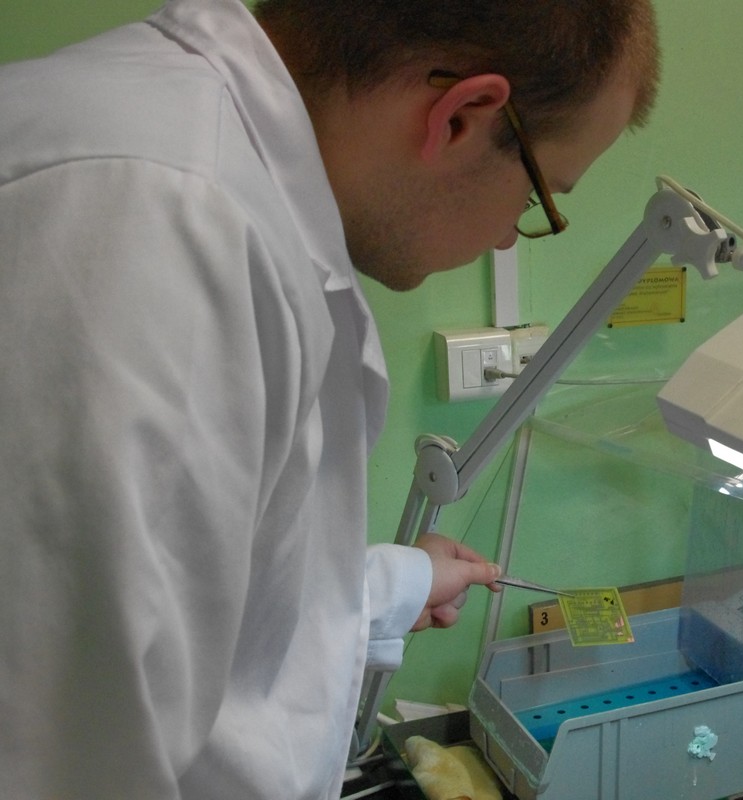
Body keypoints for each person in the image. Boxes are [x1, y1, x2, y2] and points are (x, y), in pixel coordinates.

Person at [0, 0, 660, 798]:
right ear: (459, 117)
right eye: (535, 199)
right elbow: (63, 756)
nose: (502, 238)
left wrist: (397, 585)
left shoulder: (217, 181)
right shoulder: (148, 223)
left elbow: (201, 602)